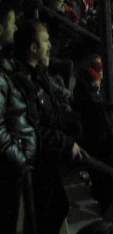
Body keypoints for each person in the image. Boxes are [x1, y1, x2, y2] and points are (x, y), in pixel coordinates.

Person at [9, 20, 86, 234]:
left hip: (48, 158)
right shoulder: (21, 81)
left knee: (56, 207)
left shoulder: (37, 73)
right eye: (45, 41)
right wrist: (66, 142)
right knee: (46, 214)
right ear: (33, 48)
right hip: (37, 164)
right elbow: (33, 128)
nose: (49, 45)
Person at [0, 60, 37, 233]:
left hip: (18, 164)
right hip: (13, 166)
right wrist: (21, 159)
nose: (14, 30)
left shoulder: (10, 70)